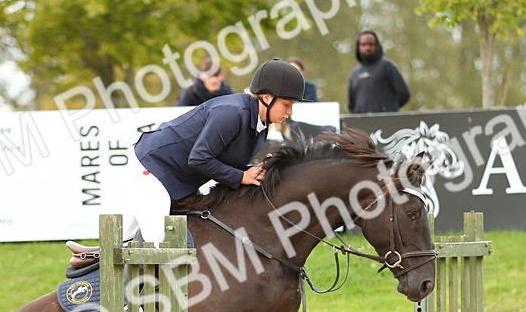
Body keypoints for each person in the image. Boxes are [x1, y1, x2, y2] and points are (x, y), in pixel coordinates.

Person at [125, 58, 306, 244]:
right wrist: (242, 176)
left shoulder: (261, 125)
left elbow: (226, 162)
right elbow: (199, 159)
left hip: (178, 178)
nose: (290, 112)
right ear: (267, 98)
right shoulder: (233, 113)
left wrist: (251, 171)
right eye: (287, 104)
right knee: (160, 243)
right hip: (152, 167)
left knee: (129, 241)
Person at [347, 30, 409, 114]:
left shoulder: (387, 66)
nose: (367, 48)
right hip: (362, 123)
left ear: (377, 46)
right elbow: (351, 104)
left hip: (385, 122)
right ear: (358, 47)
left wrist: (388, 109)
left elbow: (404, 94)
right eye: (364, 44)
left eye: (371, 44)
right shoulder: (355, 73)